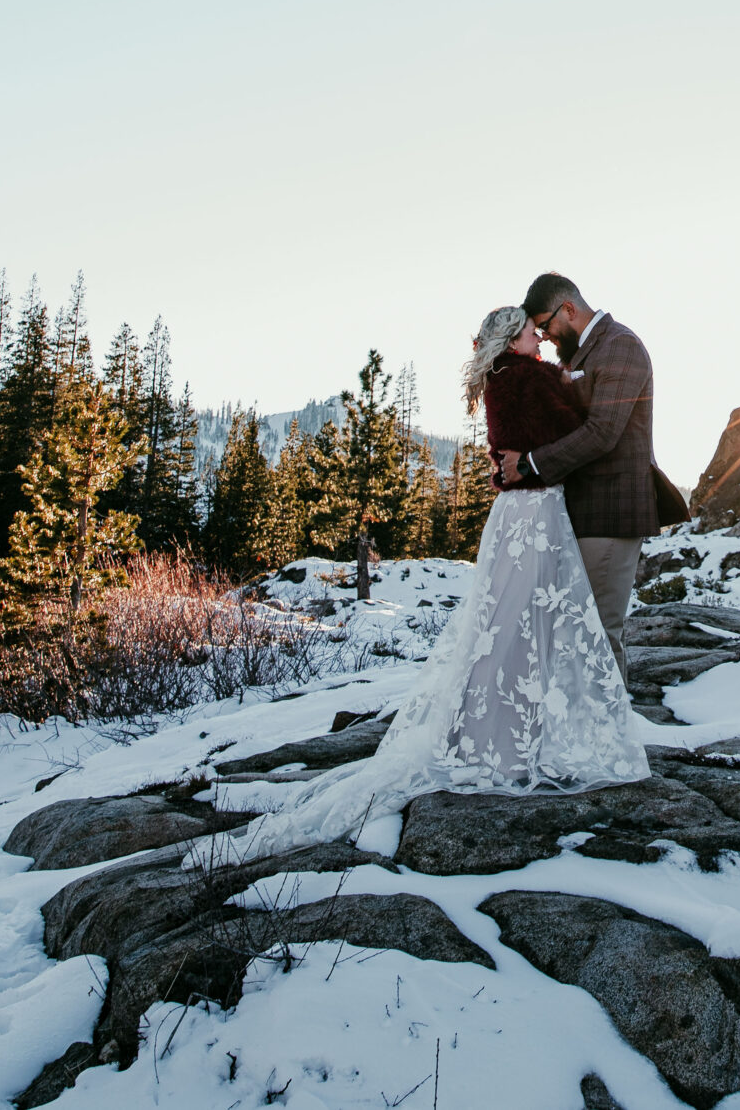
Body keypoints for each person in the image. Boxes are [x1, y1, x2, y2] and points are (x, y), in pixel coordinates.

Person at [215, 305, 648, 856]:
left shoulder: (497, 380)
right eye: (530, 333)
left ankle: (493, 732)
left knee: (501, 623)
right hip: (536, 515)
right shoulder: (534, 378)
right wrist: (575, 383)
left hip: (514, 519)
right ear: (511, 340)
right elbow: (575, 432)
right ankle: (517, 740)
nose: (538, 339)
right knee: (527, 623)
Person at [491, 273, 657, 679]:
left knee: (597, 631)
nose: (543, 337)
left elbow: (602, 433)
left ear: (568, 310)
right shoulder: (576, 354)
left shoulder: (620, 347)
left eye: (544, 326)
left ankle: (612, 733)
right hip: (574, 514)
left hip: (610, 511)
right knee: (570, 630)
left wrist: (529, 463)